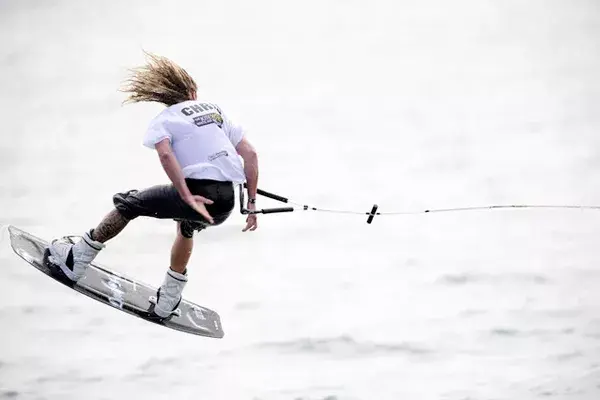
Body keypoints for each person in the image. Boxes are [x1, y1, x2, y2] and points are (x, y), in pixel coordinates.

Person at [46, 52, 259, 320]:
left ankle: (75, 260)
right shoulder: (215, 110)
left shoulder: (165, 119)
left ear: (163, 97)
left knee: (129, 204)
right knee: (186, 225)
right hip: (225, 202)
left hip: (196, 193)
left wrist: (185, 193)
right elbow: (250, 155)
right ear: (192, 92)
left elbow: (165, 154)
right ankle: (167, 301)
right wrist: (251, 205)